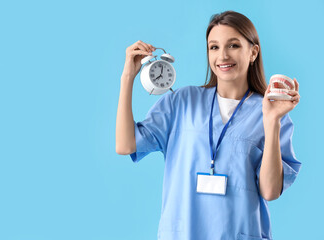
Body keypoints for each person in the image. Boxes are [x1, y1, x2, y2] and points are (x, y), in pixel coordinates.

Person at [116, 10, 301, 240]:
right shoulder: (182, 102)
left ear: (253, 52)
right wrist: (128, 77)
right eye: (214, 47)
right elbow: (125, 145)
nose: (222, 56)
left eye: (233, 45)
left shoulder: (269, 112)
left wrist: (272, 121)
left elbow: (270, 191)